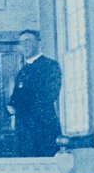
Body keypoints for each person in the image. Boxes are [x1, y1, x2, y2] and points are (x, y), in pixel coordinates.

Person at [7, 29, 62, 157]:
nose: (24, 46)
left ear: (38, 43)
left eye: (28, 41)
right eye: (21, 43)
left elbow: (49, 95)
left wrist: (20, 106)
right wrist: (10, 106)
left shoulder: (50, 66)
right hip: (24, 130)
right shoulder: (22, 72)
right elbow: (15, 99)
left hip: (43, 128)